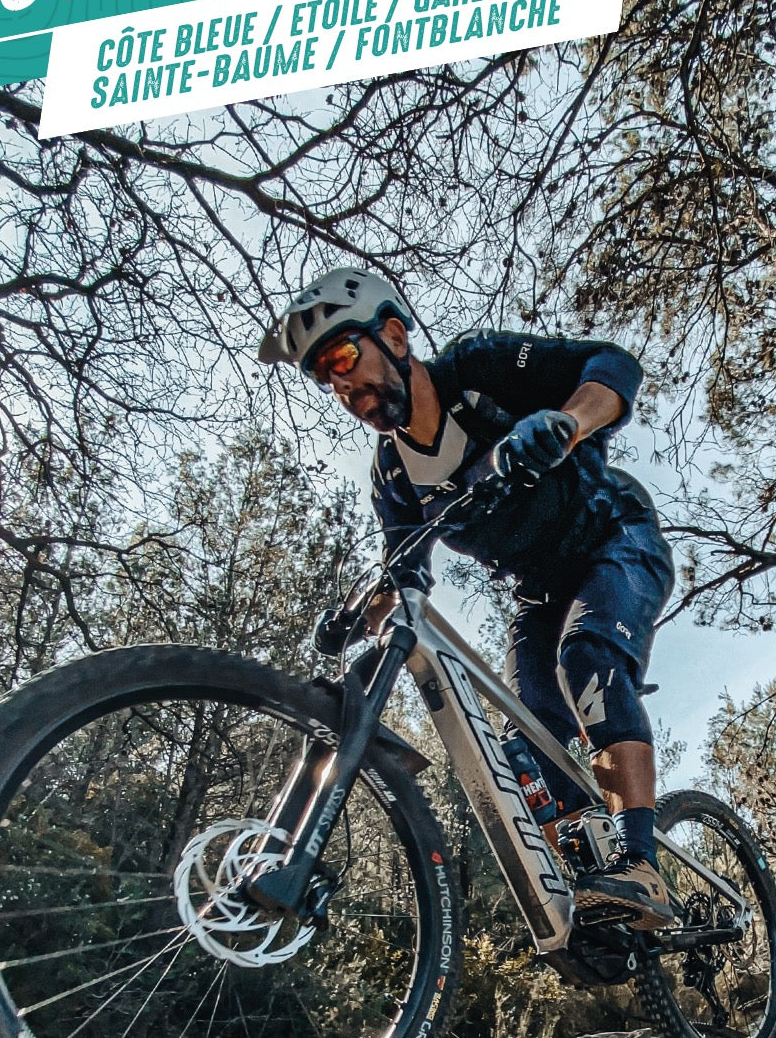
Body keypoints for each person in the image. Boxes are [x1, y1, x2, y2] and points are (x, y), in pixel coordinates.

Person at [259, 267, 676, 927]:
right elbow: (405, 572)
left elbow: (613, 365)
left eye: (342, 356)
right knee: (522, 751)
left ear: (394, 335)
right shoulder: (394, 475)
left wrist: (565, 424)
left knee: (588, 659)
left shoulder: (478, 370)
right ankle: (599, 880)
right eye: (324, 377)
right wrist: (358, 617)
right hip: (537, 593)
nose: (341, 386)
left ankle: (639, 864)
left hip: (613, 536)